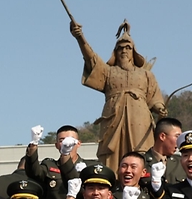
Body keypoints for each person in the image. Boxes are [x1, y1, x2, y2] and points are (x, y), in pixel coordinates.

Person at [69, 19, 166, 170]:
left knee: (142, 153)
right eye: (120, 48)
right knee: (110, 155)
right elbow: (91, 59)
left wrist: (160, 108)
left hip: (139, 119)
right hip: (113, 118)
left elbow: (154, 98)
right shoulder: (108, 72)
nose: (124, 51)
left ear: (133, 51)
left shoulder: (146, 75)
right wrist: (80, 37)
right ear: (115, 51)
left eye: (128, 47)